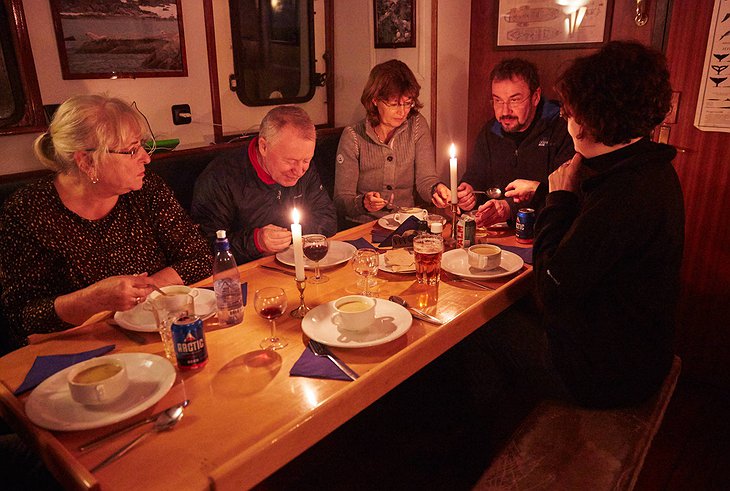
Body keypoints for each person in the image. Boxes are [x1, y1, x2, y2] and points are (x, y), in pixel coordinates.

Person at [533, 40, 684, 407]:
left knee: (483, 339)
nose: (566, 120)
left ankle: (489, 451)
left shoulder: (625, 194)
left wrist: (559, 202)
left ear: (588, 120)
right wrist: (550, 196)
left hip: (610, 375)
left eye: (569, 111)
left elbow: (550, 290)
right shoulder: (645, 165)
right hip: (634, 353)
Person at [0, 94, 211, 350]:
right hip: (76, 347)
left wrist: (141, 293)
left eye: (143, 146)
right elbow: (21, 317)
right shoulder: (27, 211)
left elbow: (200, 258)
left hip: (156, 332)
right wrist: (94, 299)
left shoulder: (147, 190)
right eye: (132, 150)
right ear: (87, 161)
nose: (146, 158)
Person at [191, 106, 336, 264]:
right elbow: (204, 248)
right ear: (264, 147)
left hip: (294, 263)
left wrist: (287, 237)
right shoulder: (221, 177)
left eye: (306, 160)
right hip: (246, 273)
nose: (299, 170)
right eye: (290, 161)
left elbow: (328, 219)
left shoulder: (303, 169)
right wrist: (256, 242)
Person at [455, 58, 574, 227]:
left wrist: (509, 208)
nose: (505, 111)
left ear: (535, 97)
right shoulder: (490, 131)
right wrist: (467, 192)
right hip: (496, 233)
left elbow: (564, 194)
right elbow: (475, 176)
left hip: (541, 231)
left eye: (515, 100)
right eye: (498, 100)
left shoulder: (562, 128)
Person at [334, 59, 450, 225]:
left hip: (405, 222)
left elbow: (426, 180)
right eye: (394, 104)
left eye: (408, 103)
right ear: (375, 100)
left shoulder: (416, 124)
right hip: (363, 225)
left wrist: (435, 190)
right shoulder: (353, 136)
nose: (402, 112)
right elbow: (341, 200)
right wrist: (363, 203)